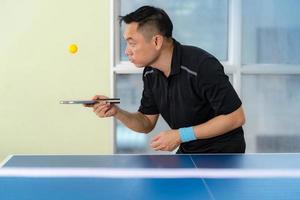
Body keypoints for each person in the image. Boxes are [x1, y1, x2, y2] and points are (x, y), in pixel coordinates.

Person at [86, 6, 246, 153]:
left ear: (156, 41)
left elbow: (235, 117)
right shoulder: (150, 73)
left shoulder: (201, 65)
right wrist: (117, 112)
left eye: (132, 43)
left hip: (223, 155)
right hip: (189, 151)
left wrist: (181, 135)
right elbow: (146, 122)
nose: (127, 51)